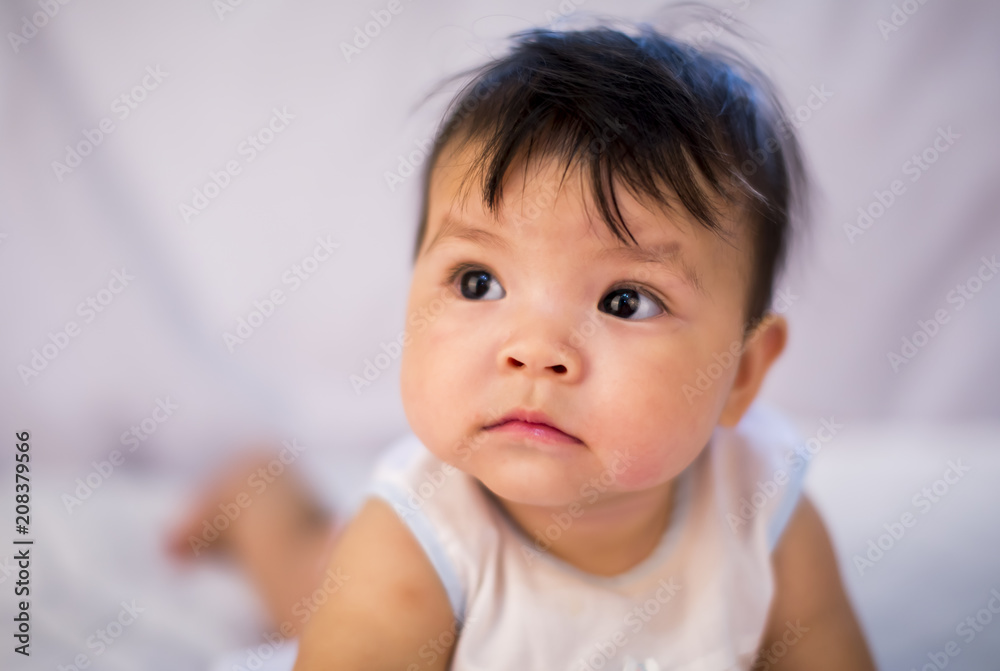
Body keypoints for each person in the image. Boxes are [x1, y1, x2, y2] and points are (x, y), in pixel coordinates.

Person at [286, 22, 875, 670]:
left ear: (741, 374)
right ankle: (260, 503)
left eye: (626, 300)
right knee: (298, 581)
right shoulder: (415, 542)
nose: (535, 351)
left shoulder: (765, 517)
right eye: (478, 282)